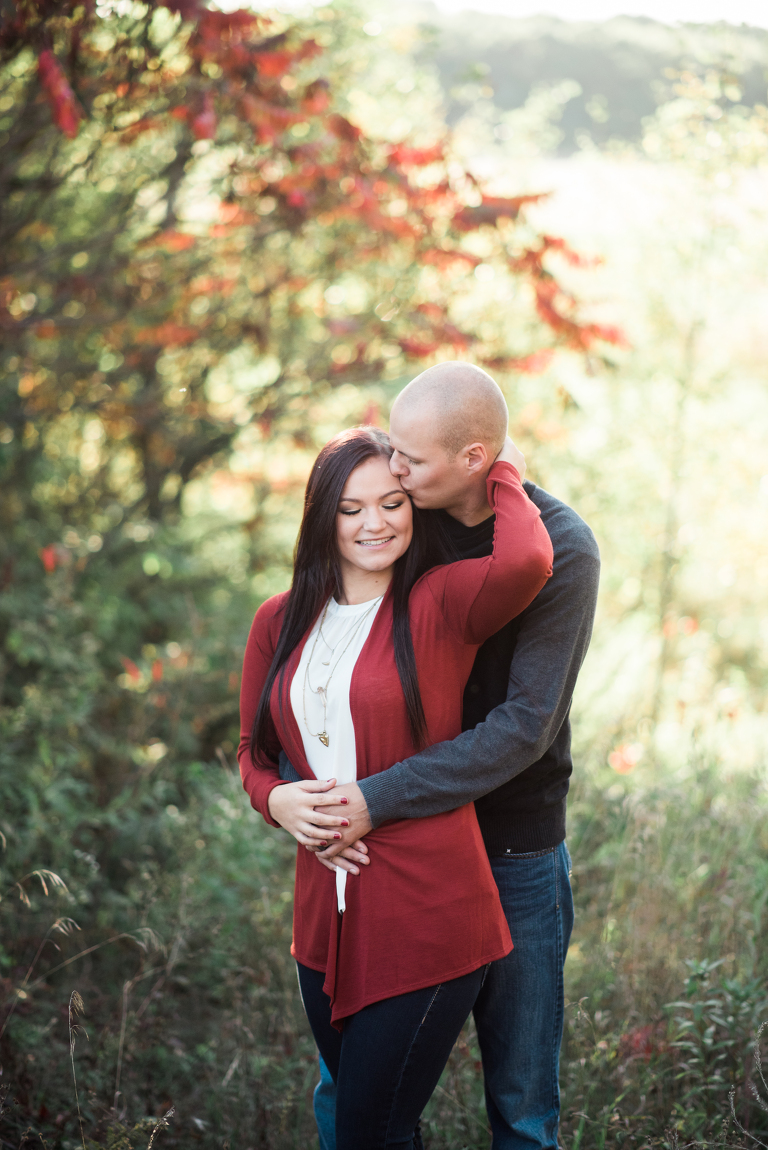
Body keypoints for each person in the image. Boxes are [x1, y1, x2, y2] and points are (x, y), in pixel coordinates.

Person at [278, 362, 601, 1150]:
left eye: (409, 461)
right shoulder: (404, 519)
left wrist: (375, 795)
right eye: (392, 450)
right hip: (396, 846)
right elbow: (322, 661)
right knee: (353, 1083)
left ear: (474, 456)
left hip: (510, 843)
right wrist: (293, 791)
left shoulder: (561, 549)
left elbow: (524, 727)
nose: (391, 474)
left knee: (522, 1100)